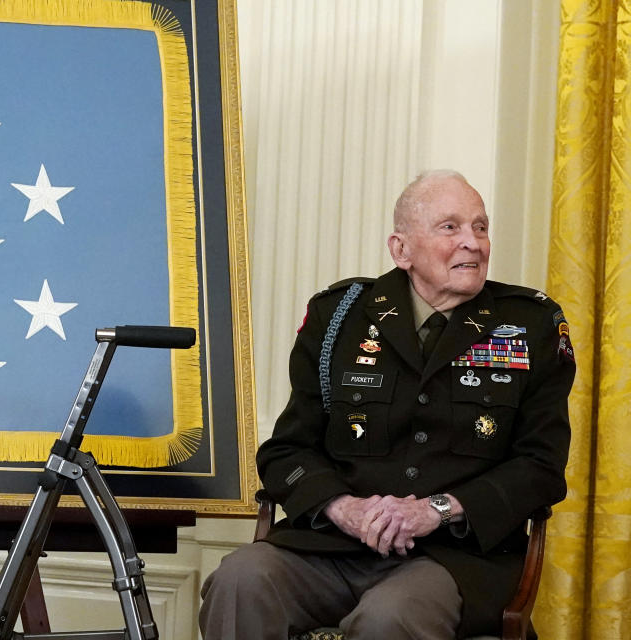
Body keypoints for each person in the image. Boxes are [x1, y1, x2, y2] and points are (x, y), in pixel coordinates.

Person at [200, 170, 575, 640]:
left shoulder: (529, 325)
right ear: (401, 249)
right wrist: (344, 509)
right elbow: (286, 451)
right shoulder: (338, 316)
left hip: (453, 562)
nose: (473, 243)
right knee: (240, 579)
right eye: (450, 227)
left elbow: (541, 466)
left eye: (480, 227)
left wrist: (435, 510)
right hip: (329, 549)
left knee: (389, 618)